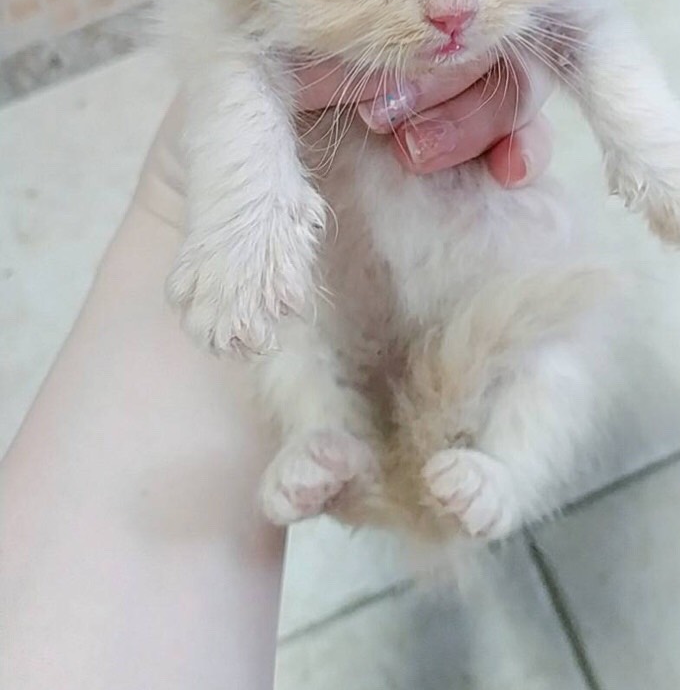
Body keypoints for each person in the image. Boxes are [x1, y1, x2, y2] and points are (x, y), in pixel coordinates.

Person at [0, 57, 552, 690]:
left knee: (555, 318)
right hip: (343, 286)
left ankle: (497, 460)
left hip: (449, 259)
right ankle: (331, 430)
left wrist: (177, 206)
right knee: (296, 330)